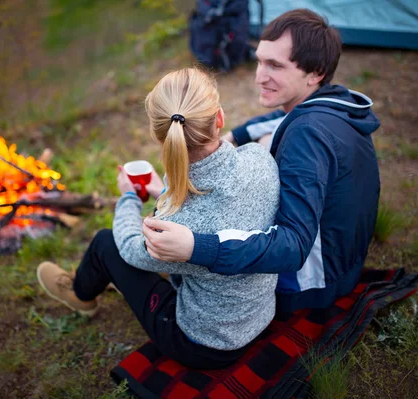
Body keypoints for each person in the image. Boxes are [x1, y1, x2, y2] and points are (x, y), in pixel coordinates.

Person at [37, 68, 280, 369]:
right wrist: (163, 190)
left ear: (158, 135)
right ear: (219, 118)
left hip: (205, 344)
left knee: (104, 243)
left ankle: (80, 295)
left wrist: (127, 198)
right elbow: (220, 205)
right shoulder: (259, 159)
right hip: (259, 314)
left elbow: (131, 249)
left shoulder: (181, 231)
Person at [143, 9, 381, 313]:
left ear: (315, 72)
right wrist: (230, 137)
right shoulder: (334, 103)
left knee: (192, 247)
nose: (259, 76)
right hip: (345, 262)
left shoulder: (306, 137)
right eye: (259, 60)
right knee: (264, 143)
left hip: (310, 286)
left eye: (275, 66)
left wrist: (195, 247)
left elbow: (293, 246)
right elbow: (277, 117)